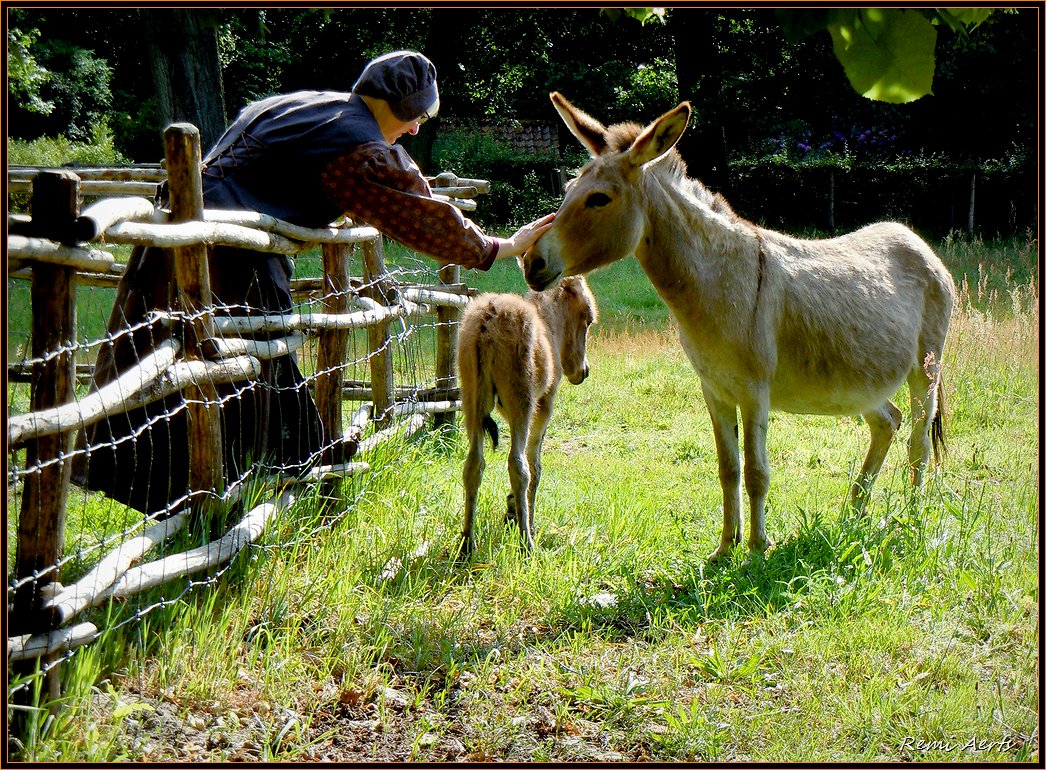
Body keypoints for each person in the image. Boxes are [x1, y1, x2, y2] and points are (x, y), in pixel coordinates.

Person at [73, 50, 555, 516]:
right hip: (227, 253)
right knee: (233, 360)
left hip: (193, 227)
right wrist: (503, 247)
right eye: (416, 119)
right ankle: (237, 485)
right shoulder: (359, 146)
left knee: (189, 352)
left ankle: (276, 466)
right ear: (398, 108)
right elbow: (422, 216)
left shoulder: (310, 105)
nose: (412, 130)